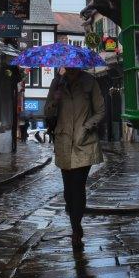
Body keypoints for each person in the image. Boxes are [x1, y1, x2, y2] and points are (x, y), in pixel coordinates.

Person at [45, 66, 105, 250]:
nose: (70, 69)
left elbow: (100, 111)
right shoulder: (57, 84)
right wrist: (54, 101)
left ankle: (76, 229)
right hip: (63, 142)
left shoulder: (89, 83)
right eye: (67, 66)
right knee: (68, 191)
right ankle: (75, 223)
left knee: (78, 187)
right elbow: (47, 112)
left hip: (83, 142)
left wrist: (87, 127)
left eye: (73, 67)